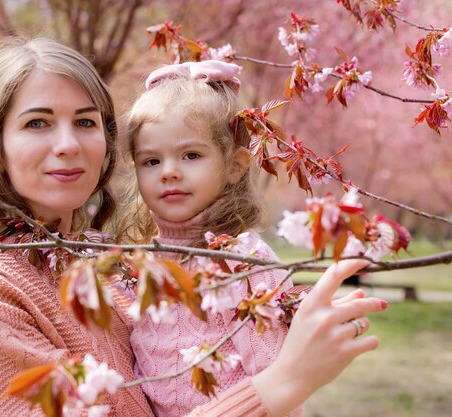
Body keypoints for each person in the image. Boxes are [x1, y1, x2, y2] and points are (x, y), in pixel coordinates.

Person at [0, 36, 386, 417]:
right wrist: (282, 383)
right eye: (37, 123)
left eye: (85, 122)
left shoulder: (110, 264)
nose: (67, 144)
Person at [115, 60, 386, 417]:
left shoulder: (242, 262)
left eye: (191, 155)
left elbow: (277, 379)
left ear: (234, 165)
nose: (168, 172)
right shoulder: (138, 265)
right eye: (151, 161)